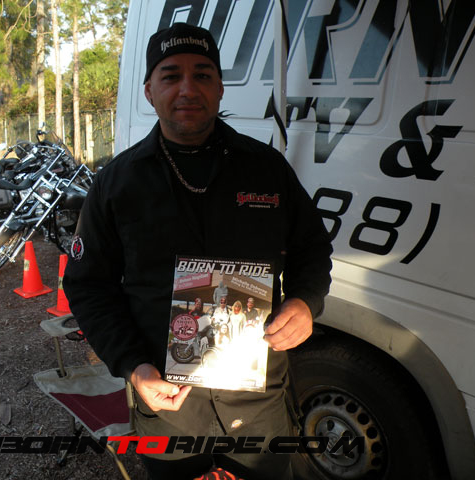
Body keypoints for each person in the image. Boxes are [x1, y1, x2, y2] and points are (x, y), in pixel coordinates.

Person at [64, 23, 332, 480]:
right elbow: (88, 287)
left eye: (203, 75)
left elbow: (312, 246)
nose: (188, 89)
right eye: (171, 76)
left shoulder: (266, 168)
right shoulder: (116, 183)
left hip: (258, 403)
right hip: (166, 404)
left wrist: (306, 302)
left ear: (220, 87)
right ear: (149, 91)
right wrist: (133, 367)